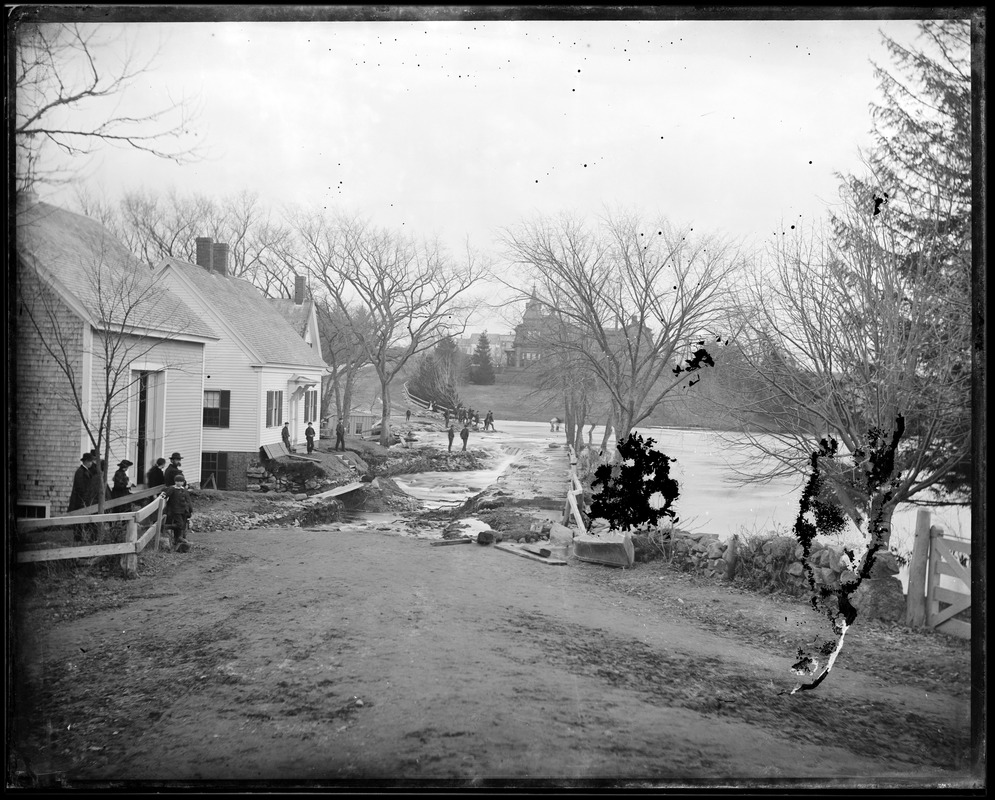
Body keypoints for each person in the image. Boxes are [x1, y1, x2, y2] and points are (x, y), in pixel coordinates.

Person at [163, 473, 193, 552]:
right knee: (179, 524)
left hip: (184, 510)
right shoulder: (172, 489)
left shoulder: (184, 490)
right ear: (175, 482)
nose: (179, 483)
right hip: (175, 510)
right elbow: (165, 495)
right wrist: (163, 495)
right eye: (177, 481)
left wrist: (190, 509)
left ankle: (178, 539)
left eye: (181, 481)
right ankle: (166, 527)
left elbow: (188, 500)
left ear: (183, 482)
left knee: (182, 525)